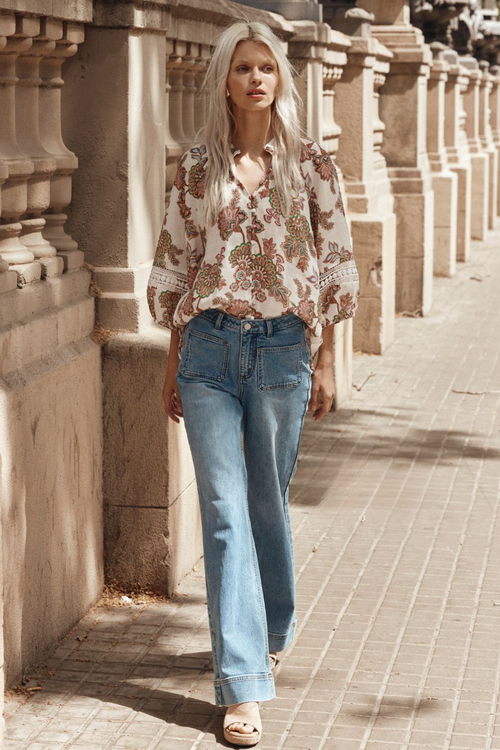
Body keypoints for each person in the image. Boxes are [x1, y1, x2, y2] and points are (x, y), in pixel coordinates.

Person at [147, 19, 360, 747]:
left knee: (266, 503)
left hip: (281, 354)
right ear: (225, 80)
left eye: (267, 66)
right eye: (243, 67)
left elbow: (335, 268)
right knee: (224, 512)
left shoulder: (313, 168)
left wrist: (327, 361)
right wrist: (174, 364)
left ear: (282, 81)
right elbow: (175, 266)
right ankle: (242, 687)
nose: (256, 78)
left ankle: (268, 628)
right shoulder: (197, 167)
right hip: (208, 350)